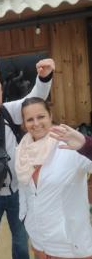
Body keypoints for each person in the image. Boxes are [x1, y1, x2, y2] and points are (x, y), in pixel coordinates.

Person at [0, 58, 55, 259]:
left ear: (2, 95)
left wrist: (44, 77)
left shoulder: (10, 111)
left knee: (21, 241)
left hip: (18, 193)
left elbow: (36, 98)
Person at [15, 97, 92, 259]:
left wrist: (86, 146)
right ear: (24, 123)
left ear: (50, 115)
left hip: (70, 245)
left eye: (41, 116)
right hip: (39, 242)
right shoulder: (21, 151)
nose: (36, 123)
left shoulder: (70, 145)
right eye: (30, 119)